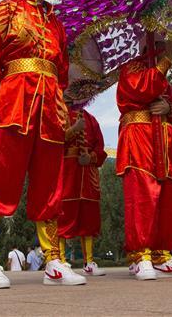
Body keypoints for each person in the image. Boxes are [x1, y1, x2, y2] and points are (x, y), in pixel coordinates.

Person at [0, 0, 85, 288]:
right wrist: (10, 87)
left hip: (50, 104)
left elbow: (62, 71)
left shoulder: (57, 22)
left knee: (50, 183)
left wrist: (56, 101)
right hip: (14, 101)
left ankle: (53, 260)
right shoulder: (6, 9)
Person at [116, 35, 172, 280]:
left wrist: (170, 108)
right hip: (139, 134)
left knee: (168, 195)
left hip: (164, 138)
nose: (165, 47)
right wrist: (165, 62)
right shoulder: (131, 67)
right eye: (160, 44)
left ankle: (161, 254)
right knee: (142, 194)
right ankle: (141, 256)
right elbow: (140, 90)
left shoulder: (161, 77)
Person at [58, 99, 108, 277]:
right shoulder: (59, 113)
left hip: (88, 176)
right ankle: (61, 260)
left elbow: (101, 149)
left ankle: (89, 261)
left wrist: (92, 157)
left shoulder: (91, 119)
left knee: (89, 219)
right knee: (63, 216)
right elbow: (52, 142)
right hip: (67, 174)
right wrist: (73, 130)